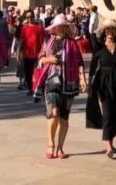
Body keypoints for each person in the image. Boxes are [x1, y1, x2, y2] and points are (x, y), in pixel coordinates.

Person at [37, 13, 86, 159]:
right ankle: (50, 144)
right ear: (55, 28)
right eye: (59, 27)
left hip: (69, 83)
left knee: (64, 118)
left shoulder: (72, 43)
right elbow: (40, 59)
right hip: (52, 82)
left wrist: (83, 78)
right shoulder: (48, 41)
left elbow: (79, 62)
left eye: (64, 27)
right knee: (54, 113)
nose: (61, 29)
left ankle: (60, 148)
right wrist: (48, 59)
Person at [86, 21, 116, 158]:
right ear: (104, 32)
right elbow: (93, 67)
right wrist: (88, 83)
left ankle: (111, 140)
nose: (110, 32)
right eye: (107, 30)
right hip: (102, 83)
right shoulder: (98, 48)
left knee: (115, 113)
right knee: (107, 112)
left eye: (112, 30)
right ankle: (108, 146)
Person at [19, 11, 45, 97]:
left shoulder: (39, 27)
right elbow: (22, 40)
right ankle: (30, 88)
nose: (30, 19)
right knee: (27, 73)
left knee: (36, 72)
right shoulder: (24, 28)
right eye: (28, 17)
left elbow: (43, 40)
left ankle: (36, 88)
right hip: (26, 53)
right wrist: (19, 51)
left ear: (34, 17)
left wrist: (43, 52)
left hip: (37, 54)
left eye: (31, 17)